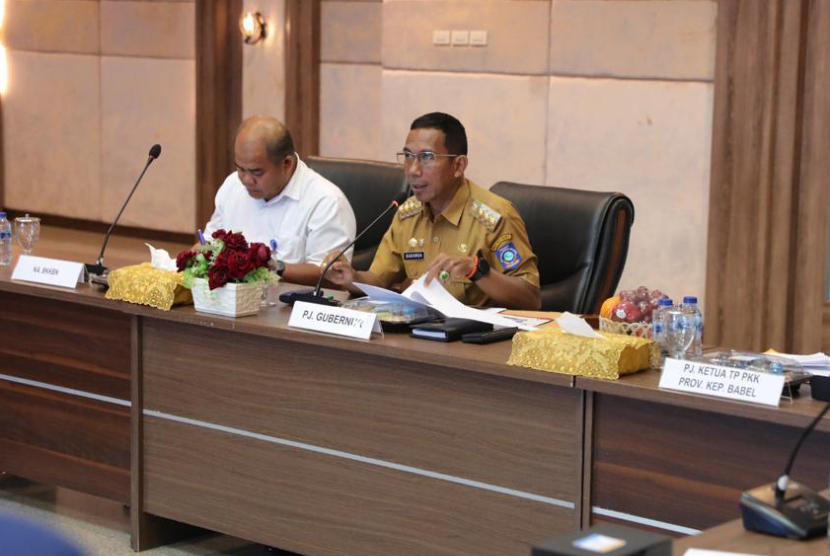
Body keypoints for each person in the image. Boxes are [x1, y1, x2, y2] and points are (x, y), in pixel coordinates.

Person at [325, 112, 541, 310]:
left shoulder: (495, 216)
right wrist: (351, 277)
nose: (413, 170)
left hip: (475, 341)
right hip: (419, 335)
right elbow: (378, 280)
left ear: (458, 166)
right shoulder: (406, 214)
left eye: (427, 157)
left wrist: (476, 270)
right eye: (408, 156)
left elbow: (530, 299)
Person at [204, 116, 357, 286]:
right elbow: (209, 243)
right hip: (232, 303)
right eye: (240, 168)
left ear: (286, 163)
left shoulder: (326, 201)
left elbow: (331, 277)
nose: (246, 180)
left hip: (292, 307)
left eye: (257, 172)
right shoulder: (232, 185)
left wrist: (270, 266)